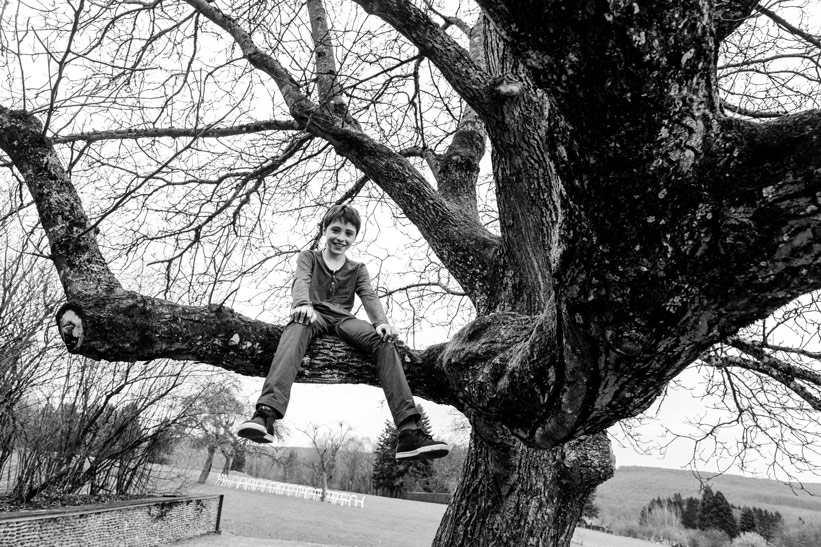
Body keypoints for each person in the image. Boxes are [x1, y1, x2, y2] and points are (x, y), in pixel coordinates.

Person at [237, 204, 450, 461]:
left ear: (354, 237)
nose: (341, 237)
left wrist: (381, 322)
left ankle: (408, 432)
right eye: (336, 230)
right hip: (312, 315)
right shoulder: (309, 257)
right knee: (294, 331)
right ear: (325, 230)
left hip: (343, 321)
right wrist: (302, 305)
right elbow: (301, 280)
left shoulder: (358, 269)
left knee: (384, 342)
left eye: (349, 233)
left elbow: (368, 295)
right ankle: (265, 414)